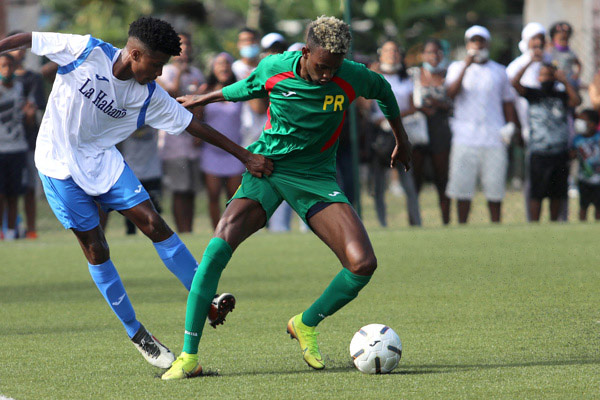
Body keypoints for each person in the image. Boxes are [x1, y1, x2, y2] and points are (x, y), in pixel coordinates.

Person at [0, 17, 271, 368]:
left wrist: (246, 156)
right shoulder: (85, 50)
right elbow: (26, 37)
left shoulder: (150, 96)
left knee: (155, 224)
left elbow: (194, 126)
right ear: (135, 53)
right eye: (156, 64)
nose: (158, 73)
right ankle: (137, 332)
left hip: (104, 162)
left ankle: (206, 300)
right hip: (57, 163)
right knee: (96, 248)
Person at [161, 15, 412, 379]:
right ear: (306, 52)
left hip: (314, 176)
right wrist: (203, 97)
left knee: (362, 264)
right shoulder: (276, 67)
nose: (328, 75)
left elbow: (385, 93)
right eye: (322, 66)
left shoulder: (352, 74)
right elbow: (245, 87)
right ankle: (188, 356)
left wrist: (401, 140)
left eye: (334, 67)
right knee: (216, 249)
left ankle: (305, 323)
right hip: (268, 168)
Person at [445, 25, 520, 224]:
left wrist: (511, 124)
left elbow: (507, 101)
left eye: (481, 41)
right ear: (468, 44)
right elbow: (450, 94)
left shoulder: (499, 71)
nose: (477, 45)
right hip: (465, 137)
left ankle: (495, 226)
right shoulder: (456, 68)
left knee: (495, 189)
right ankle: (462, 227)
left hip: (494, 137)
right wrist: (465, 66)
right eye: (473, 41)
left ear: (487, 44)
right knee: (462, 190)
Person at [512, 58, 581, 221]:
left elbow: (576, 101)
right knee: (537, 192)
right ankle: (534, 224)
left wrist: (564, 81)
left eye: (550, 75)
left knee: (557, 193)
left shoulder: (561, 95)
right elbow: (514, 83)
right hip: (539, 150)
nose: (546, 79)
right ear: (538, 78)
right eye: (543, 75)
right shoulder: (533, 94)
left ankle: (554, 223)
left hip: (559, 151)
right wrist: (530, 62)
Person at [157, 32, 204, 233]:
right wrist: (178, 72)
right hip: (173, 143)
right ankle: (182, 230)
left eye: (187, 44)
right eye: (180, 45)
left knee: (191, 190)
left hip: (192, 143)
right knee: (179, 190)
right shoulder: (164, 71)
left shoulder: (196, 74)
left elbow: (202, 104)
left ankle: (190, 230)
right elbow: (171, 95)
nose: (184, 49)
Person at [370, 40, 422, 227]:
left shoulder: (406, 78)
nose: (392, 54)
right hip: (379, 136)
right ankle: (382, 223)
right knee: (378, 185)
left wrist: (392, 118)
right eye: (387, 51)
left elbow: (413, 106)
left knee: (408, 181)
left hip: (400, 133)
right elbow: (365, 106)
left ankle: (416, 222)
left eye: (395, 51)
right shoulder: (373, 77)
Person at [196, 53, 245, 228]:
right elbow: (197, 118)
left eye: (227, 64)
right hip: (211, 152)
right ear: (213, 68)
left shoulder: (239, 89)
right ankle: (216, 230)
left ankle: (233, 229)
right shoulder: (206, 91)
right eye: (219, 64)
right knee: (213, 195)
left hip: (234, 151)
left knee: (235, 196)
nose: (223, 67)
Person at [8, 30, 46, 239]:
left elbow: (36, 105)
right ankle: (10, 229)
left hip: (29, 141)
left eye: (21, 47)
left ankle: (31, 229)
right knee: (6, 191)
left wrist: (28, 113)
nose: (18, 52)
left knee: (29, 187)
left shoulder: (33, 78)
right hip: (5, 143)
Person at [409, 38, 452, 225]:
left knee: (442, 178)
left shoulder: (448, 75)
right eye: (430, 52)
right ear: (423, 55)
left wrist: (438, 105)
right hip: (418, 129)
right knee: (415, 178)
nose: (434, 56)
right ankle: (414, 221)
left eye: (437, 52)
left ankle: (446, 220)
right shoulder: (414, 74)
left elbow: (454, 102)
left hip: (440, 129)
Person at [0, 53, 35, 241]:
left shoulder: (21, 88)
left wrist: (29, 116)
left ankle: (12, 233)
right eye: (2, 66)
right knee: (0, 195)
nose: (6, 70)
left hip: (17, 148)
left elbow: (27, 123)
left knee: (14, 194)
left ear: (15, 67)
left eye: (9, 66)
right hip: (0, 149)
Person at [119, 125, 163, 234]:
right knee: (131, 210)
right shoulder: (123, 117)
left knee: (154, 208)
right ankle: (131, 234)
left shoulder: (152, 114)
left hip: (152, 170)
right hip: (130, 170)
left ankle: (158, 234)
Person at [572, 110, 600, 221]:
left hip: (598, 180)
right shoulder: (577, 139)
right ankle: (582, 226)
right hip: (584, 179)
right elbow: (573, 154)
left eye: (583, 120)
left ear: (592, 124)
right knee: (583, 206)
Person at [548, 21, 581, 89]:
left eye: (566, 39)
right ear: (554, 39)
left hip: (569, 81)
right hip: (555, 81)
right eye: (561, 39)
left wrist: (577, 75)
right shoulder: (551, 52)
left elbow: (579, 64)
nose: (564, 42)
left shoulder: (570, 53)